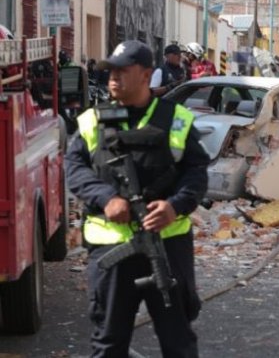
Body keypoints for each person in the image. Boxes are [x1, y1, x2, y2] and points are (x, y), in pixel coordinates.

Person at [64, 40, 209, 357]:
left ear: (146, 75)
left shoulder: (177, 119)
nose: (113, 78)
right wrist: (106, 198)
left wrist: (174, 206)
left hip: (167, 246)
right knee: (109, 343)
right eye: (110, 71)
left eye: (122, 71)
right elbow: (74, 169)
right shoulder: (92, 120)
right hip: (112, 246)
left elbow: (197, 173)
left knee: (179, 343)